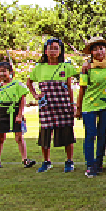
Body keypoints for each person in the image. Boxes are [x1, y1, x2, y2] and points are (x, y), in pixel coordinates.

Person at [27, 38, 77, 172]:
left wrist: (72, 103)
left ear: (60, 51)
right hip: (47, 105)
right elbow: (29, 82)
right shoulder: (40, 67)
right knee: (45, 133)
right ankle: (46, 161)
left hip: (63, 103)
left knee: (67, 131)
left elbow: (69, 87)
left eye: (56, 48)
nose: (53, 51)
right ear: (45, 50)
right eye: (50, 48)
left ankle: (69, 161)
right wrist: (36, 95)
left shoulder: (66, 67)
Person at [76, 36, 106, 178]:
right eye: (95, 49)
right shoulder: (87, 67)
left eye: (101, 48)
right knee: (90, 135)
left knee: (101, 135)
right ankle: (90, 165)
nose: (99, 52)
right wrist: (78, 107)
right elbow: (82, 88)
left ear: (105, 49)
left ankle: (99, 163)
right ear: (91, 52)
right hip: (90, 105)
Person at [0, 62, 35, 169]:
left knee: (19, 137)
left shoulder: (17, 84)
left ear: (10, 72)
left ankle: (25, 159)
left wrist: (19, 115)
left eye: (4, 71)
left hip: (14, 111)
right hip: (1, 112)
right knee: (0, 138)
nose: (1, 74)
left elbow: (22, 99)